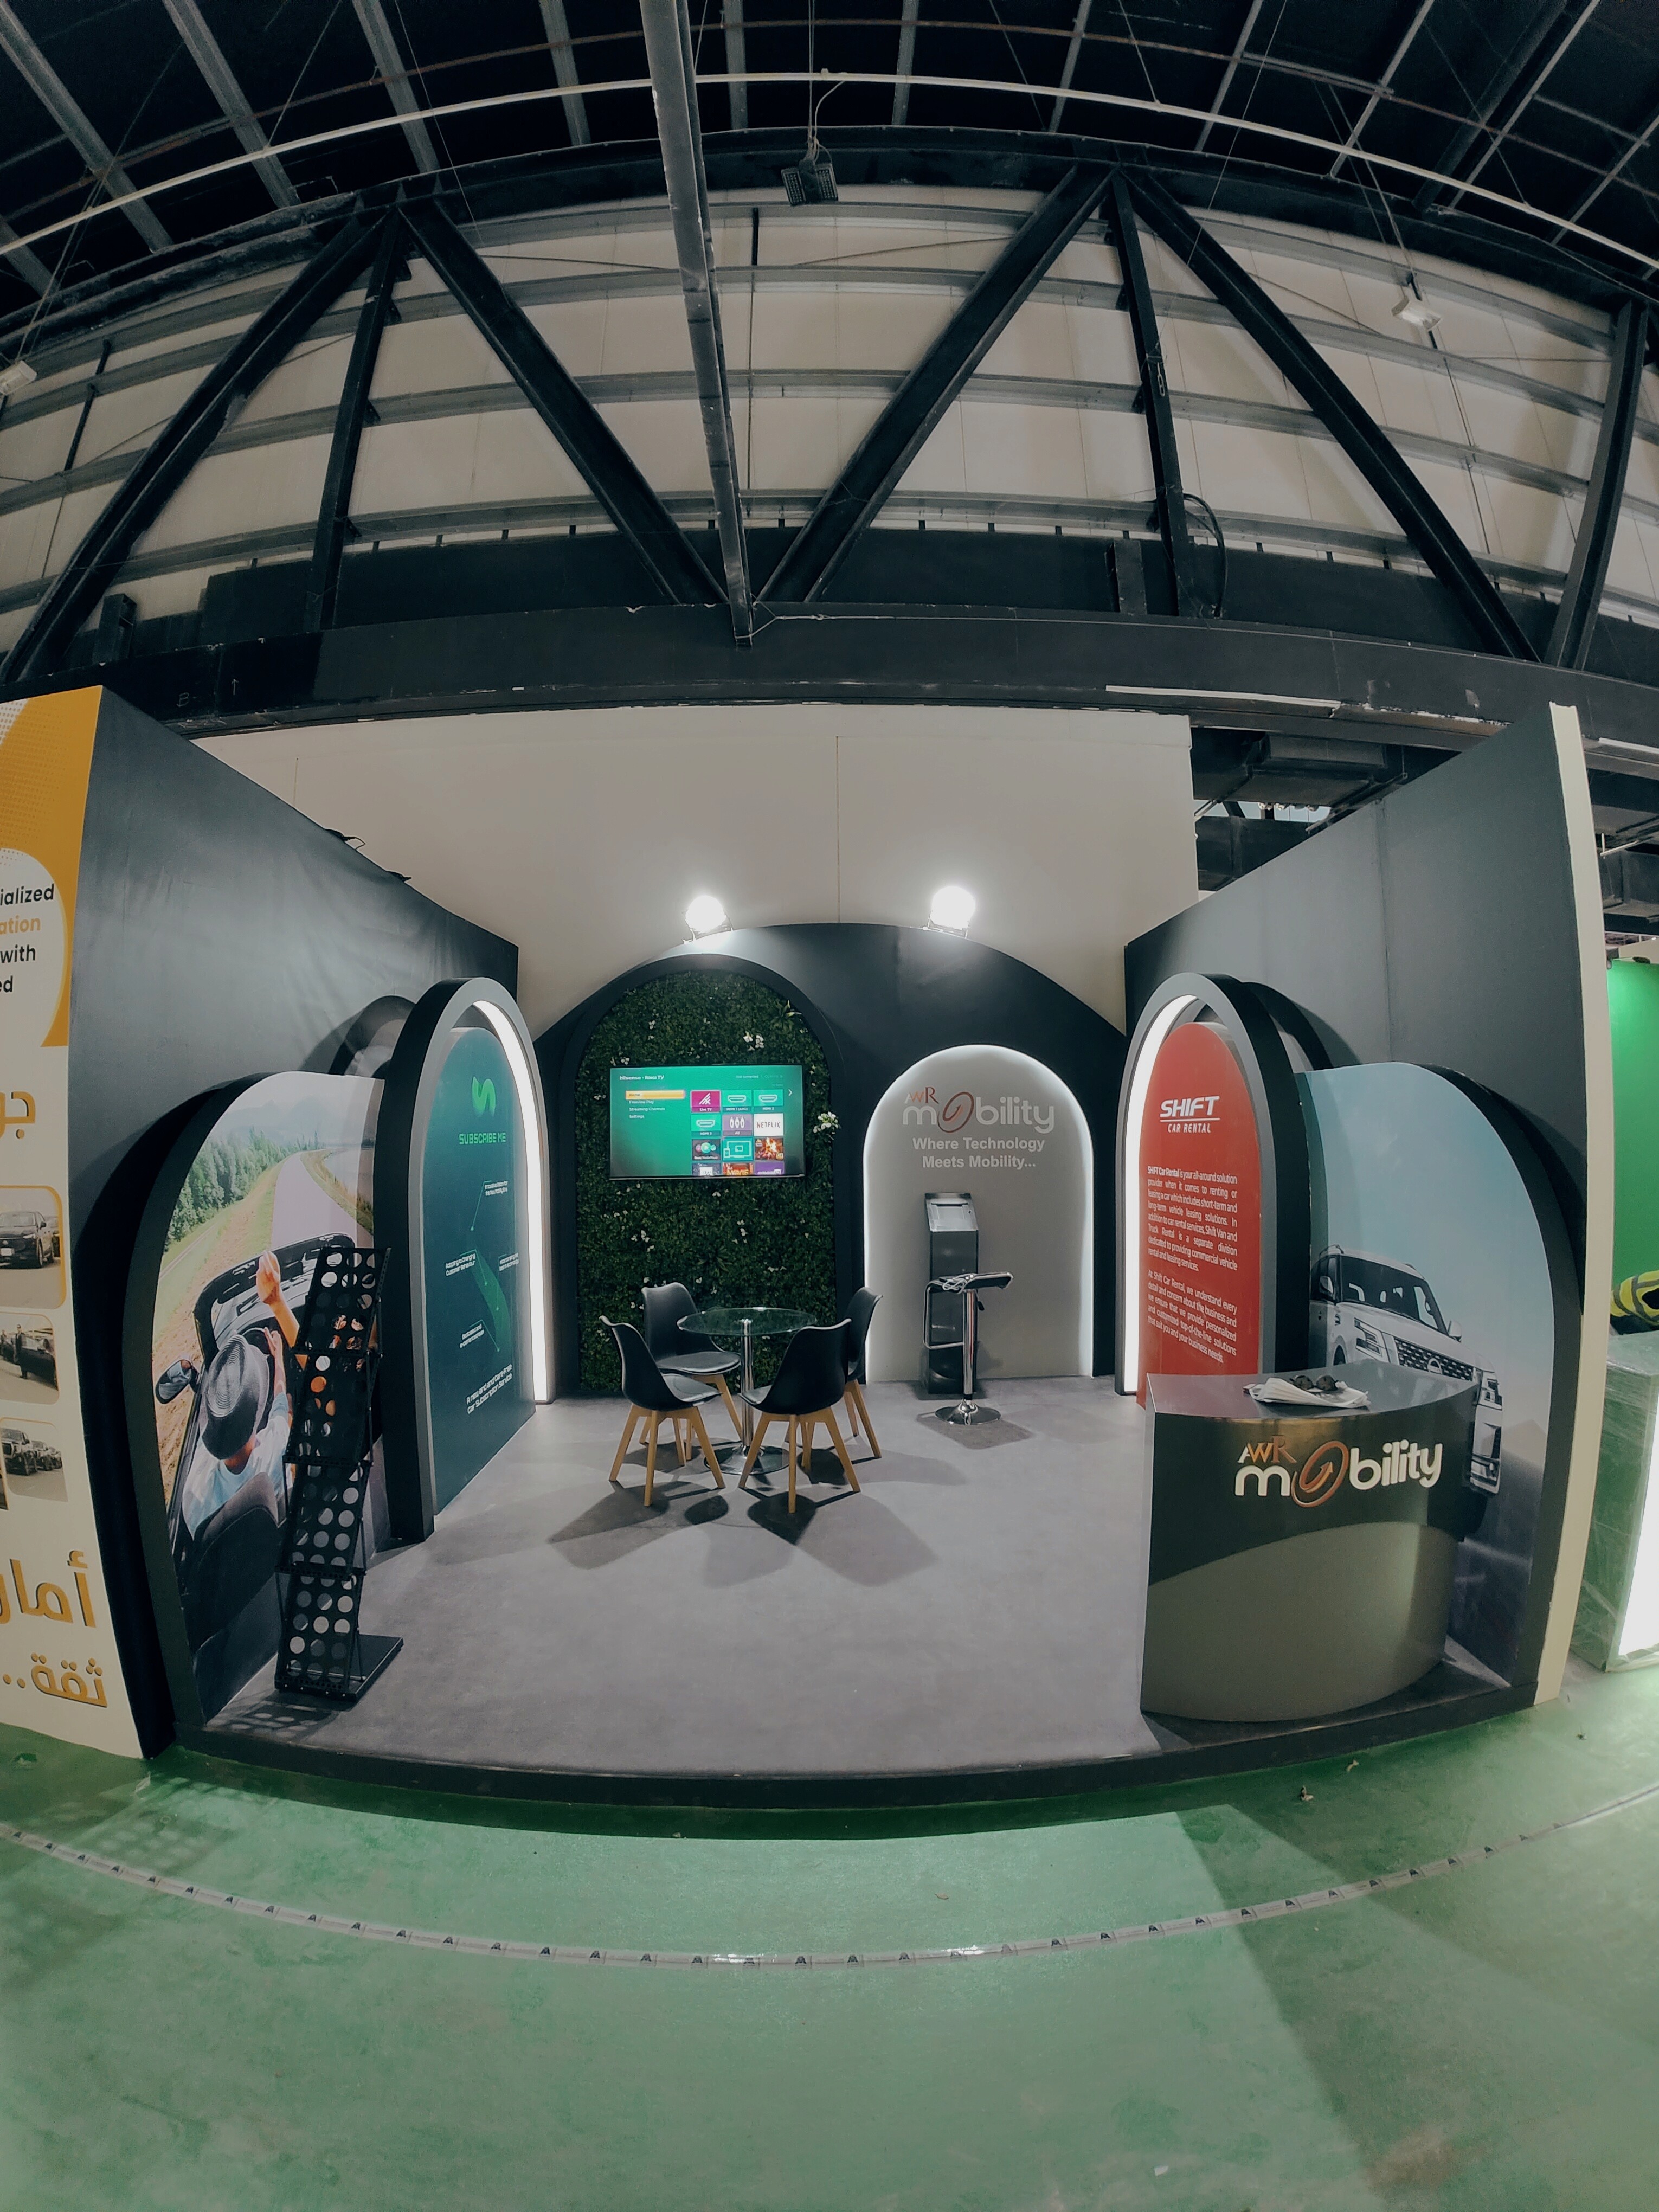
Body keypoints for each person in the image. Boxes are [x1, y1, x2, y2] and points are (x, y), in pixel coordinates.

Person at [178, 1251, 299, 1534]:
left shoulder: (193, 1495)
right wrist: (278, 1359)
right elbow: (281, 1403)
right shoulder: (276, 1451)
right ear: (257, 1419)